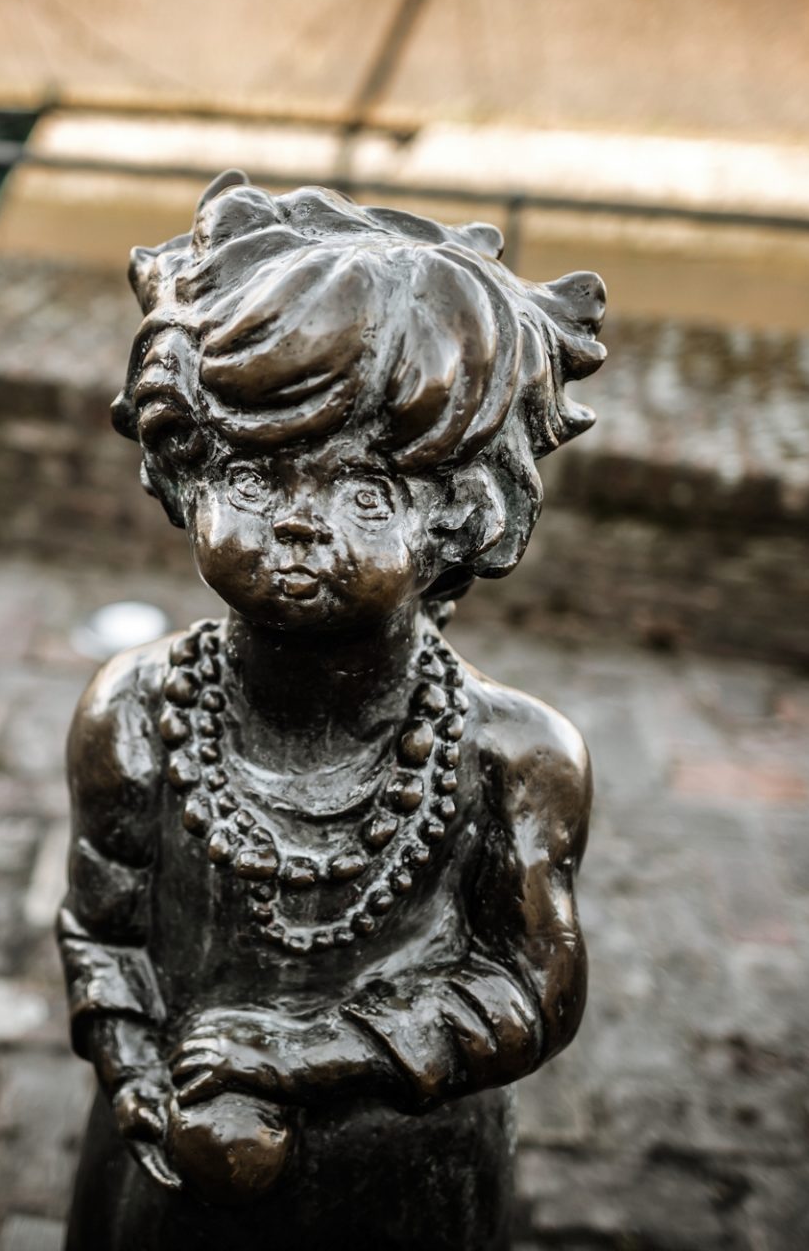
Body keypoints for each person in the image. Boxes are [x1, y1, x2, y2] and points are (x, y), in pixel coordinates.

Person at [58, 171, 605, 1250]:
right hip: (169, 1182)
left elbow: (532, 984)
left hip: (407, 1183)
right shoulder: (134, 713)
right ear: (184, 472)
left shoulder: (516, 757)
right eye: (257, 478)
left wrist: (303, 1054)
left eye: (366, 492)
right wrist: (133, 1073)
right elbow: (101, 928)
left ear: (463, 508)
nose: (301, 525)